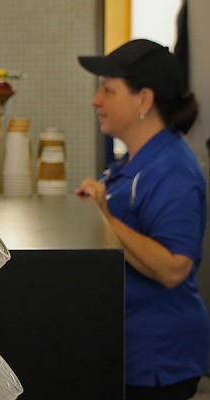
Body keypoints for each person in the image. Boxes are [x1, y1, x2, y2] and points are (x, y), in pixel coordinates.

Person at [75, 39, 209, 399]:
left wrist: (105, 218)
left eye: (108, 91)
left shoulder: (172, 170)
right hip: (127, 349)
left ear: (144, 101)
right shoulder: (133, 163)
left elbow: (173, 267)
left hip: (158, 360)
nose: (96, 100)